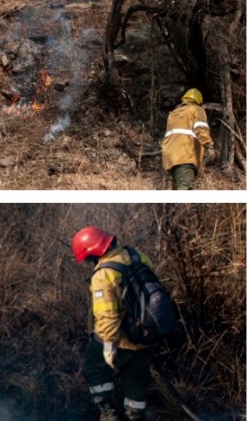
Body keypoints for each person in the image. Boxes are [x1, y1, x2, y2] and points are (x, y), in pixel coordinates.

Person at [72, 226, 154, 421]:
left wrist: (109, 346)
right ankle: (135, 416)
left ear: (92, 253)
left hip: (121, 337)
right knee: (136, 380)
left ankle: (108, 413)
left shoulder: (103, 274)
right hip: (147, 334)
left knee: (93, 366)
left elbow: (107, 315)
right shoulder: (136, 255)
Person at [161, 88, 214, 190]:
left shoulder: (173, 114)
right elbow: (201, 130)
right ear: (199, 101)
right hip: (185, 156)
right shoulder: (197, 110)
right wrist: (209, 146)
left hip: (168, 158)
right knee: (185, 190)